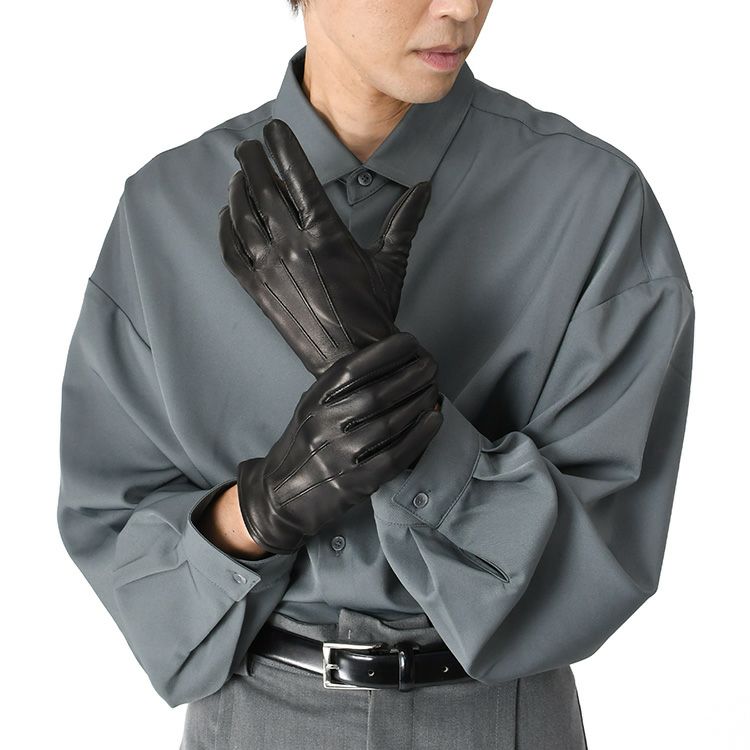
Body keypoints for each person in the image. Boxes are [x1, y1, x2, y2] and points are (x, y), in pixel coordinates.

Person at [56, 0, 695, 747]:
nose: (461, 7)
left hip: (497, 720)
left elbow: (595, 571)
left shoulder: (596, 204)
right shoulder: (164, 210)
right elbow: (120, 547)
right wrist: (262, 509)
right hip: (256, 718)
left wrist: (368, 373)